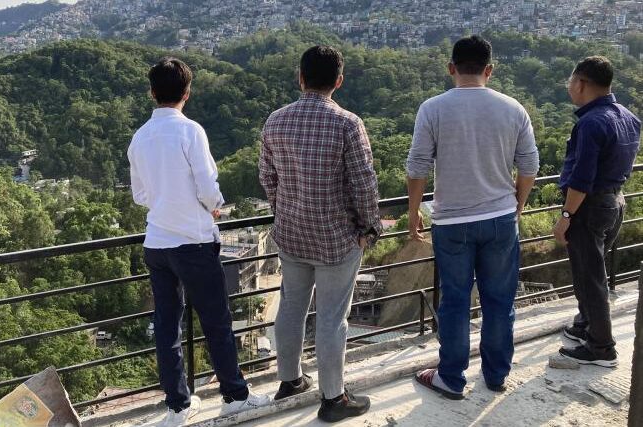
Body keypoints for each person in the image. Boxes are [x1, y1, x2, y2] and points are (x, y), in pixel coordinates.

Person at [128, 58, 270, 427]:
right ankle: (235, 396)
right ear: (186, 93)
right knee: (216, 322)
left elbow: (140, 195)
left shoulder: (140, 137)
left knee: (167, 327)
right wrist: (214, 207)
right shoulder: (190, 131)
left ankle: (178, 405)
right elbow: (208, 188)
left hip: (156, 243)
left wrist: (164, 199)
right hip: (192, 240)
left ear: (151, 92)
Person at [406, 35, 539, 400]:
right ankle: (495, 375)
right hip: (499, 218)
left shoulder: (432, 109)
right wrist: (518, 204)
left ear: (451, 68)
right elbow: (529, 165)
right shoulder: (513, 108)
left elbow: (417, 167)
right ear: (489, 70)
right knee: (499, 300)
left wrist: (413, 213)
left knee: (455, 301)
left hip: (451, 222)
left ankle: (450, 377)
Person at [259, 45, 382, 422]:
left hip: (292, 234)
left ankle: (291, 380)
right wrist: (368, 227)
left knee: (291, 308)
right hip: (335, 238)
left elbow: (267, 177)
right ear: (339, 81)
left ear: (300, 77)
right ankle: (333, 399)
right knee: (331, 319)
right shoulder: (348, 123)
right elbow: (363, 183)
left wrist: (284, 210)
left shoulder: (275, 121)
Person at [553, 56, 641, 367]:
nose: (569, 89)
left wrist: (565, 217)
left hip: (589, 208)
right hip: (615, 202)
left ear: (582, 83)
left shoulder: (590, 124)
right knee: (590, 270)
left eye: (570, 83)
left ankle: (602, 348)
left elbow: (582, 179)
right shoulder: (629, 117)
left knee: (590, 279)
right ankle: (584, 327)